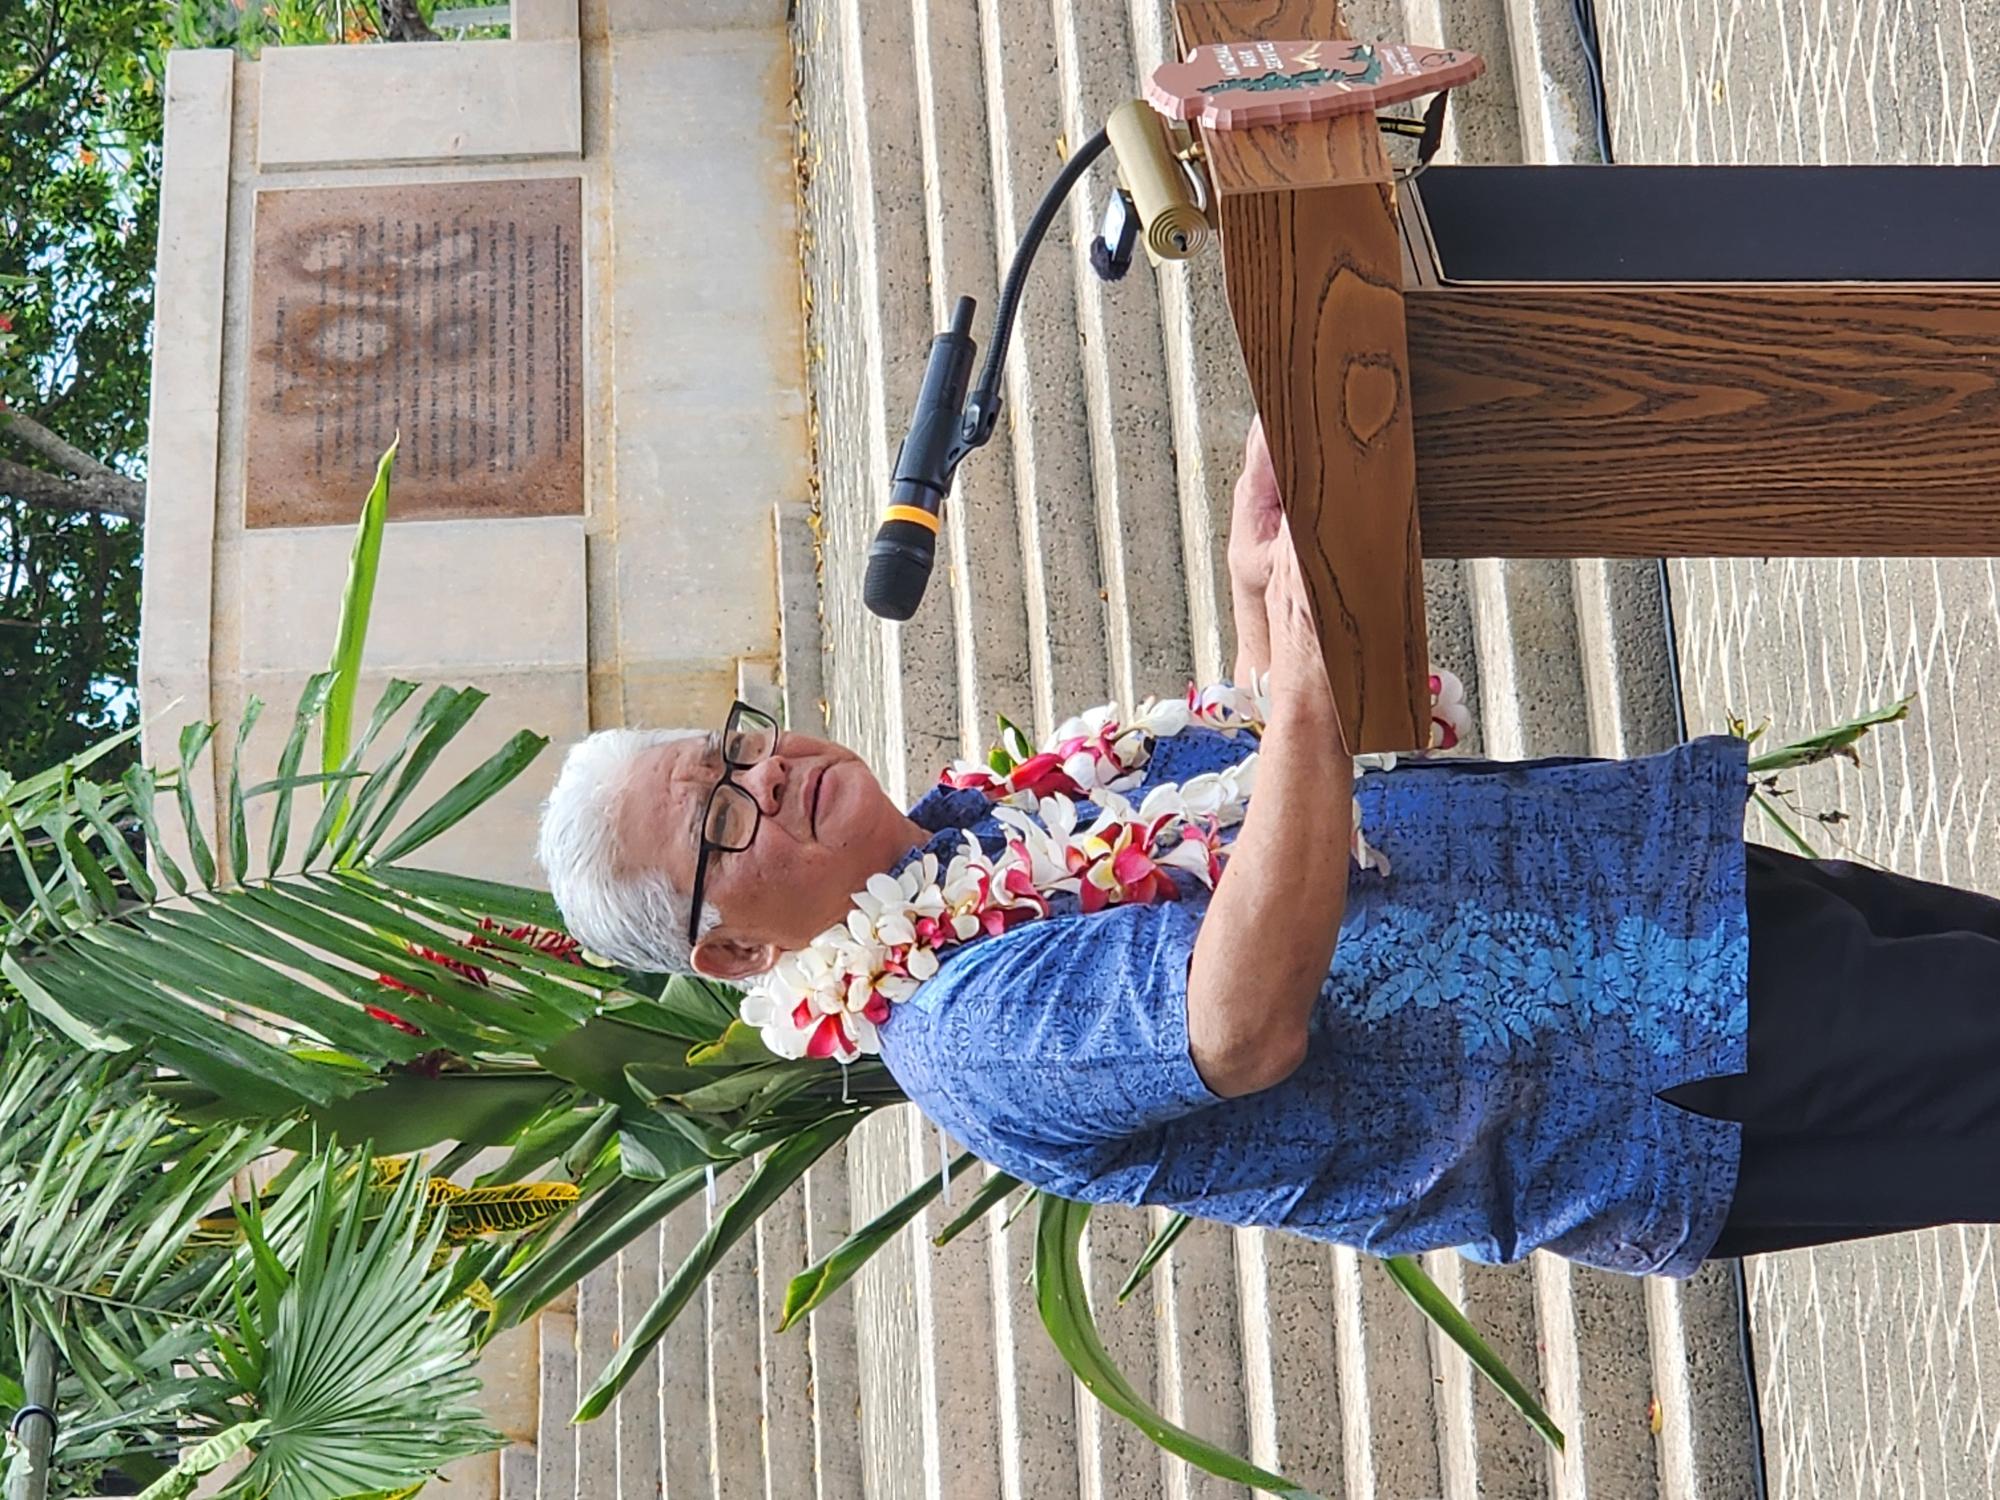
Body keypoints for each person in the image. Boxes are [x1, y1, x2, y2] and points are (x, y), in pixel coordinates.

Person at [538, 417, 2000, 1274]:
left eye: (734, 745)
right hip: (1648, 1062)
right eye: (722, 817)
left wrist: (1263, 611)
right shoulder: (958, 1034)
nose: (768, 771)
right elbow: (1235, 1022)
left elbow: (1271, 802)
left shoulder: (994, 821)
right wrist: (1299, 698)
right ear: (734, 951)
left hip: (1650, 892)